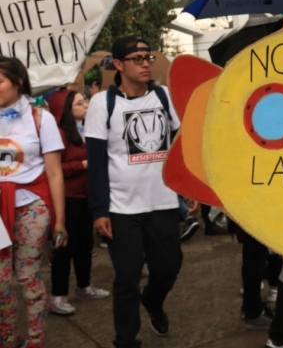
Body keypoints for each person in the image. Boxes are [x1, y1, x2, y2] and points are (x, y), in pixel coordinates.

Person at [86, 35, 192, 348]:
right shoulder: (101, 103)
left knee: (169, 266)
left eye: (148, 57)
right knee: (128, 277)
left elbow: (181, 145)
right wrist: (99, 210)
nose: (146, 64)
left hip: (162, 201)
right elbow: (96, 161)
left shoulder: (164, 97)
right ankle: (126, 339)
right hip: (121, 208)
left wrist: (189, 188)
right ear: (119, 65)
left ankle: (154, 301)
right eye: (137, 59)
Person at [0, 56, 68, 348]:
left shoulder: (41, 118)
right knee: (1, 283)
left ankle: (36, 340)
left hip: (31, 205)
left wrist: (60, 222)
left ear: (17, 82)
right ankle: (8, 339)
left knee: (28, 276)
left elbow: (54, 172)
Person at [47, 89, 109, 315]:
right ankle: (57, 295)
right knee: (64, 247)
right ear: (65, 110)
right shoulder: (58, 134)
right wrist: (83, 165)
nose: (86, 105)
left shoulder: (87, 129)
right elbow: (54, 170)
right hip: (67, 198)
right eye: (80, 103)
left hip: (86, 196)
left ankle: (84, 286)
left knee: (85, 245)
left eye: (85, 101)